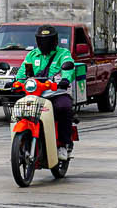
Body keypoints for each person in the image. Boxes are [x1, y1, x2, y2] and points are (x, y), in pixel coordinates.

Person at [16, 25, 81, 156]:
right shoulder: (32, 55)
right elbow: (23, 72)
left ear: (55, 40)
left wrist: (65, 80)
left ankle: (64, 144)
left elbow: (68, 68)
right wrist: (16, 82)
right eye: (41, 40)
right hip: (35, 94)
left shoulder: (63, 54)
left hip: (56, 93)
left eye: (47, 40)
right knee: (21, 111)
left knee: (63, 107)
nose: (44, 43)